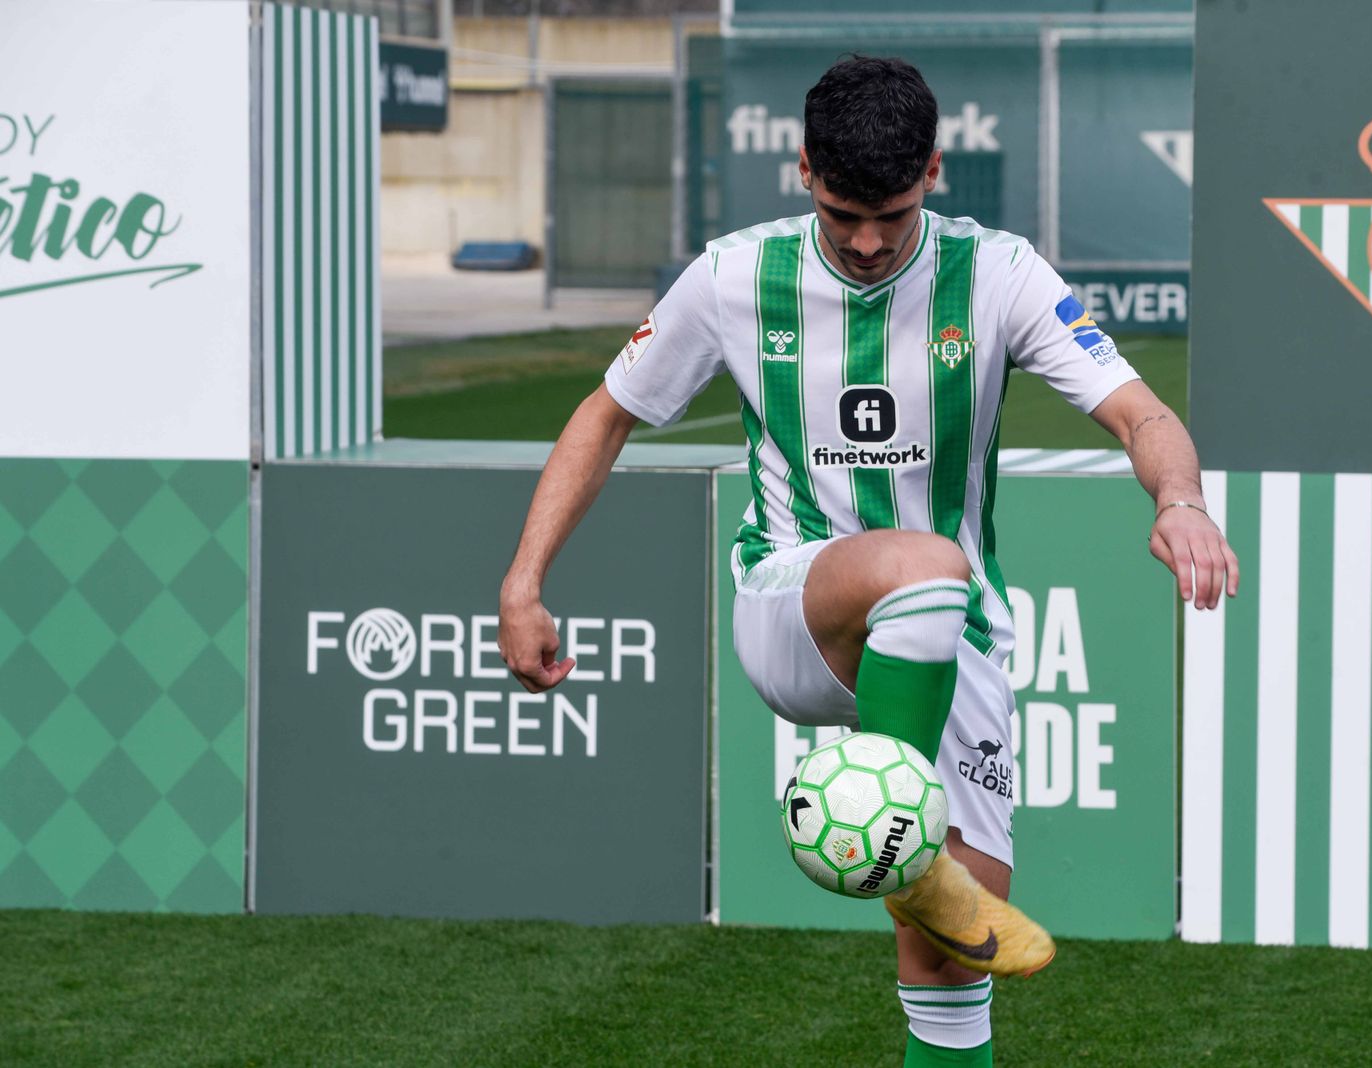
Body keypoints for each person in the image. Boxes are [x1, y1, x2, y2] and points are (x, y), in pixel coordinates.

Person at [500, 54, 1238, 1068]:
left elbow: (1139, 410)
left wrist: (1181, 499)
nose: (866, 240)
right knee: (927, 565)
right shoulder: (733, 277)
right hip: (793, 607)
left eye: (890, 212)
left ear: (934, 171)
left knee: (953, 974)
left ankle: (914, 867)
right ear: (802, 168)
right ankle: (913, 853)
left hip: (947, 641)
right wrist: (523, 581)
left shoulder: (998, 272)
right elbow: (605, 415)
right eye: (843, 211)